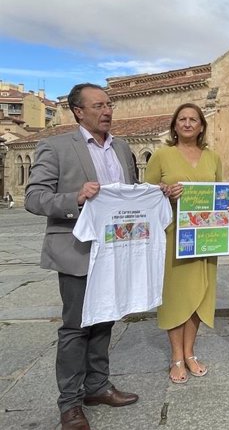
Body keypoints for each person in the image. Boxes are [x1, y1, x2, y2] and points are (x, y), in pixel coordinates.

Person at [25, 83, 139, 430]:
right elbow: (34, 197)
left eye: (110, 104)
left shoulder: (122, 148)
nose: (107, 111)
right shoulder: (56, 146)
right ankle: (70, 403)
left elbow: (129, 195)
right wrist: (75, 197)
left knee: (105, 320)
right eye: (99, 105)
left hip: (115, 251)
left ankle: (97, 386)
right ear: (78, 111)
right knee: (76, 328)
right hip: (77, 251)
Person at [144, 103, 226, 383]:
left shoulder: (213, 157)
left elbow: (219, 196)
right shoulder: (161, 155)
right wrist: (164, 192)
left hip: (206, 240)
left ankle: (190, 352)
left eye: (193, 119)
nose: (188, 123)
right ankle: (176, 357)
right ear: (175, 125)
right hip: (174, 238)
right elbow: (145, 195)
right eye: (183, 119)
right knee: (176, 297)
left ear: (202, 126)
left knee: (199, 297)